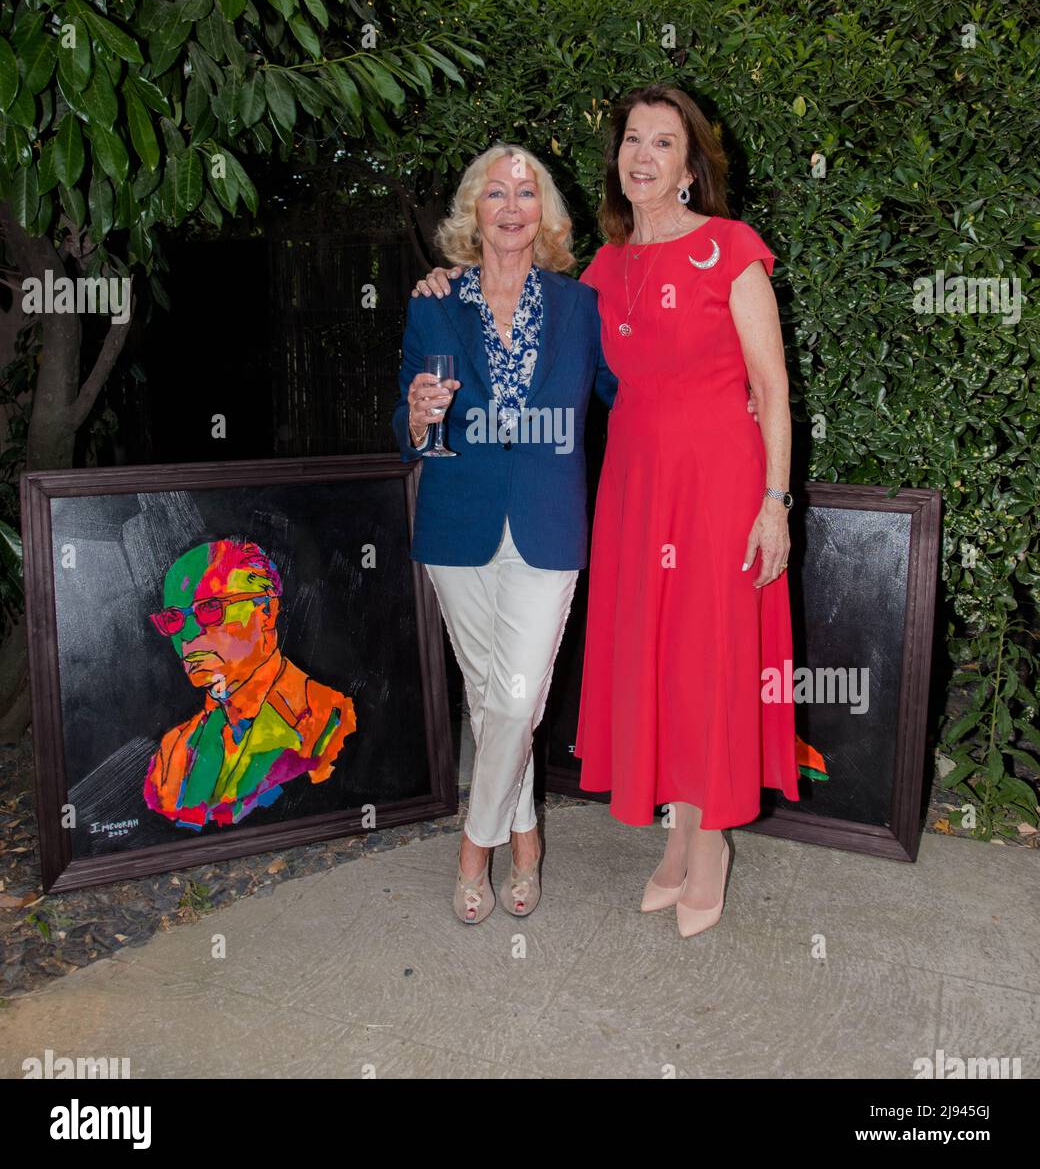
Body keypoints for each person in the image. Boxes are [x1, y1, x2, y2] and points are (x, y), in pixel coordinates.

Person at [413, 83, 799, 938]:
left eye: (664, 143)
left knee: (708, 660)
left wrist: (774, 502)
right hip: (632, 488)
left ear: (691, 165)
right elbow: (533, 335)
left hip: (718, 484)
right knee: (659, 663)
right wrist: (450, 275)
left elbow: (771, 387)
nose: (643, 156)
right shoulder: (598, 274)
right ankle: (677, 835)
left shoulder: (730, 249)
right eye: (633, 139)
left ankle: (712, 846)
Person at [392, 144, 617, 923]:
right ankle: (525, 834)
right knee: (491, 699)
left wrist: (734, 401)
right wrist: (418, 416)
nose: (513, 205)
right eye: (497, 192)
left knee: (515, 699)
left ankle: (472, 849)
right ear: (474, 212)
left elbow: (634, 390)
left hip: (550, 528)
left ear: (546, 213)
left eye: (528, 192)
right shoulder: (433, 302)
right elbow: (406, 421)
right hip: (457, 527)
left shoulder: (580, 305)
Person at [144, 539, 356, 829]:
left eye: (210, 608)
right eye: (173, 619)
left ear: (266, 612)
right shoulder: (172, 753)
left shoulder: (328, 718)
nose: (188, 634)